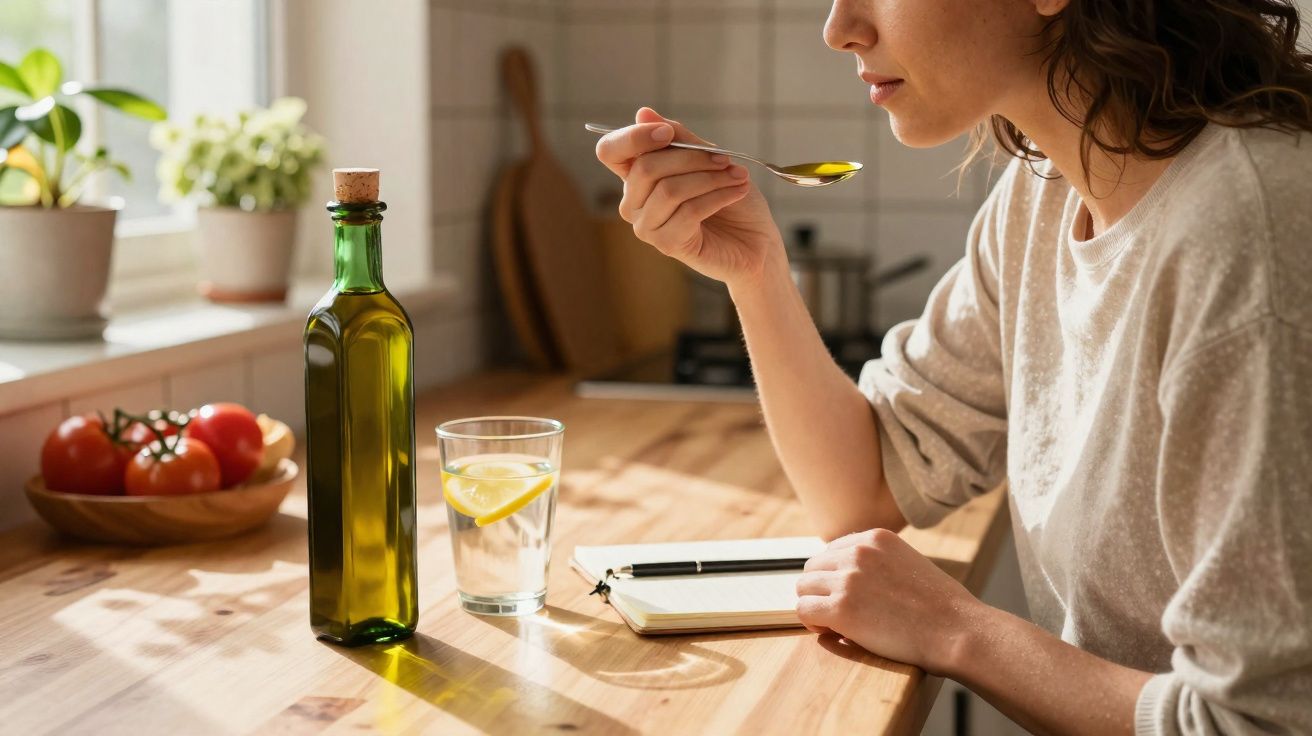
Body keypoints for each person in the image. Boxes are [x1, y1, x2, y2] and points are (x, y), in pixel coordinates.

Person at [593, 0, 1312, 733]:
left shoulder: (1250, 242)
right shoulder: (1043, 198)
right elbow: (866, 483)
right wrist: (755, 270)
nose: (839, 29)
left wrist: (956, 630)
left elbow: (1259, 724)